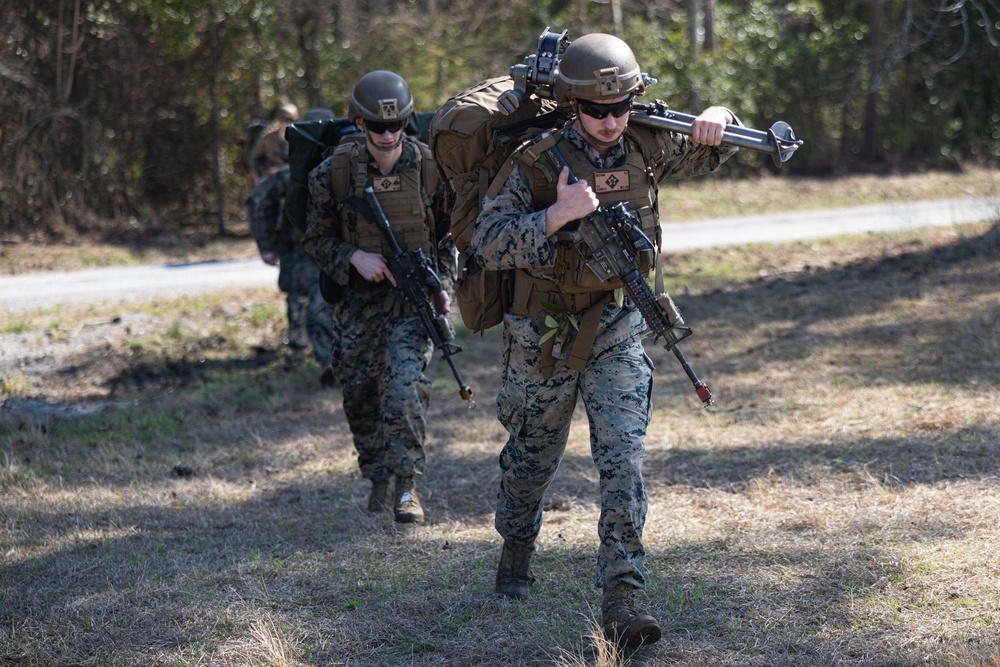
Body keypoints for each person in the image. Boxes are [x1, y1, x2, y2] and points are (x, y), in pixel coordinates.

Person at [472, 33, 741, 649]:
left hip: (619, 325)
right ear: (573, 105)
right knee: (532, 456)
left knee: (623, 459)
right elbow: (486, 242)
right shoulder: (537, 161)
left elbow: (716, 143)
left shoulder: (644, 142)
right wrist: (555, 216)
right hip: (542, 330)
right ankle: (516, 543)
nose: (611, 120)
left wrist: (719, 116)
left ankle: (623, 596)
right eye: (597, 109)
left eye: (621, 107)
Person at [302, 71, 453, 524]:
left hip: (412, 304)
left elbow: (448, 237)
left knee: (405, 387)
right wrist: (352, 256)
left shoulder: (430, 168)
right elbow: (314, 238)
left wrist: (441, 282)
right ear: (359, 124)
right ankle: (378, 475)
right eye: (377, 126)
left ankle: (408, 486)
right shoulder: (333, 173)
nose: (388, 135)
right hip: (358, 304)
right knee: (360, 393)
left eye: (397, 125)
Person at [248, 108, 336, 382]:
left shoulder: (348, 167)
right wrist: (266, 246)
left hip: (339, 250)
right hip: (302, 251)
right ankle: (328, 362)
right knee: (315, 303)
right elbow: (259, 204)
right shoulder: (288, 175)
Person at [248, 102, 300, 186]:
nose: (286, 124)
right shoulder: (268, 138)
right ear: (278, 121)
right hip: (272, 180)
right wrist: (257, 178)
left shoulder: (300, 137)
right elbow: (254, 159)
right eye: (283, 121)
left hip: (294, 180)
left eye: (289, 121)